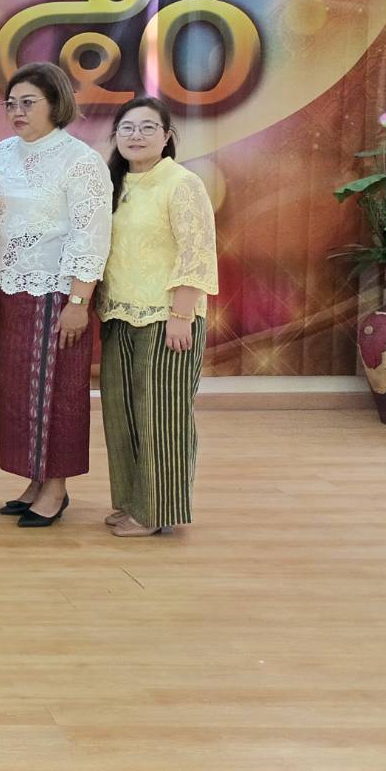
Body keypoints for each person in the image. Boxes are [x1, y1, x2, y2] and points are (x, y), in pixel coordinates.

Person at [0, 62, 112, 529]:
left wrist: (78, 302)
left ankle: (56, 487)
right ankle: (34, 479)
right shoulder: (1, 153)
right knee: (16, 391)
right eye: (11, 103)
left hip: (57, 294)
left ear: (56, 103)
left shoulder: (80, 160)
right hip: (8, 289)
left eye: (28, 103)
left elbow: (91, 234)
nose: (16, 112)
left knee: (57, 390)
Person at [98, 97, 218, 537]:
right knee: (123, 415)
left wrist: (182, 313)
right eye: (127, 128)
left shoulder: (182, 183)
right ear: (115, 136)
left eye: (148, 127)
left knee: (161, 417)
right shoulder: (113, 184)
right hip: (118, 314)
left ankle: (156, 511)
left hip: (167, 317)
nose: (136, 135)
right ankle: (133, 501)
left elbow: (196, 252)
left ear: (167, 136)